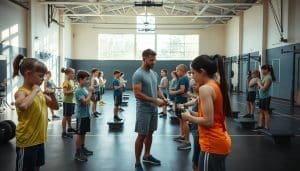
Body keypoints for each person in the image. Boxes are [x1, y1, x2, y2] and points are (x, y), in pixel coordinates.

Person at [182, 54, 232, 171]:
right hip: (220, 142)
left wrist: (189, 117)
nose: (192, 77)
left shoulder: (205, 89)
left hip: (212, 144)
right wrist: (192, 113)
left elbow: (208, 121)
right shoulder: (215, 85)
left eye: (193, 73)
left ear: (202, 71)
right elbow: (212, 116)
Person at [13, 55, 58, 171]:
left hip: (39, 140)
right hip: (27, 142)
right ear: (28, 74)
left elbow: (55, 106)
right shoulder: (21, 92)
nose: (43, 79)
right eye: (40, 76)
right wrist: (35, 91)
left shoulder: (39, 93)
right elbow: (23, 105)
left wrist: (52, 94)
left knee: (36, 168)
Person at [133, 49, 167, 171]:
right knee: (142, 135)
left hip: (153, 109)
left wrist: (163, 97)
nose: (154, 62)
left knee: (150, 132)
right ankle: (137, 162)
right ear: (144, 58)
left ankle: (147, 155)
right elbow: (137, 94)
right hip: (143, 109)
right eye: (151, 60)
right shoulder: (138, 74)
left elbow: (157, 88)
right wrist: (154, 101)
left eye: (155, 60)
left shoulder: (154, 73)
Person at [178, 81, 200, 171]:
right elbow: (193, 101)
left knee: (196, 161)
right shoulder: (199, 95)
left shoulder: (204, 94)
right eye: (193, 85)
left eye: (195, 84)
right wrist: (184, 105)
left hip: (199, 129)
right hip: (196, 129)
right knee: (195, 161)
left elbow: (207, 118)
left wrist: (190, 116)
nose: (193, 87)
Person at [169, 64, 191, 150]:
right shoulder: (183, 78)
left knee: (184, 121)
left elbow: (182, 90)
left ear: (181, 70)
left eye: (177, 70)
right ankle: (182, 136)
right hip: (179, 101)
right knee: (181, 120)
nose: (176, 72)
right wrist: (175, 90)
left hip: (181, 102)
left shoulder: (183, 78)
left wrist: (173, 93)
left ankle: (187, 142)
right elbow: (182, 89)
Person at [74, 70, 94, 162]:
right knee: (79, 134)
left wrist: (91, 93)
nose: (87, 81)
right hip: (81, 116)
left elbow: (91, 99)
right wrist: (90, 93)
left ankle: (82, 148)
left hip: (86, 115)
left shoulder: (84, 89)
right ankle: (77, 153)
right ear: (80, 79)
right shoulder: (78, 90)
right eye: (86, 79)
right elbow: (85, 102)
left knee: (83, 133)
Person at [254, 65, 276, 130]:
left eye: (264, 70)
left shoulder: (269, 78)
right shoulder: (265, 77)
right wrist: (259, 83)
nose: (262, 71)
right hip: (262, 97)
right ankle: (260, 125)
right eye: (262, 70)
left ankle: (267, 127)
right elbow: (260, 87)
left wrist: (258, 83)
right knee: (261, 111)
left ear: (267, 70)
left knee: (266, 112)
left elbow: (264, 89)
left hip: (266, 97)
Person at [61, 67, 77, 138]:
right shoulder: (66, 82)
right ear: (67, 74)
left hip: (71, 101)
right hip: (67, 102)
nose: (74, 74)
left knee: (69, 115)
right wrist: (73, 91)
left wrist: (74, 89)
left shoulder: (72, 81)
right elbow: (65, 92)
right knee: (65, 116)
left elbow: (72, 90)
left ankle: (69, 128)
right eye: (72, 73)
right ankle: (63, 132)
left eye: (74, 73)